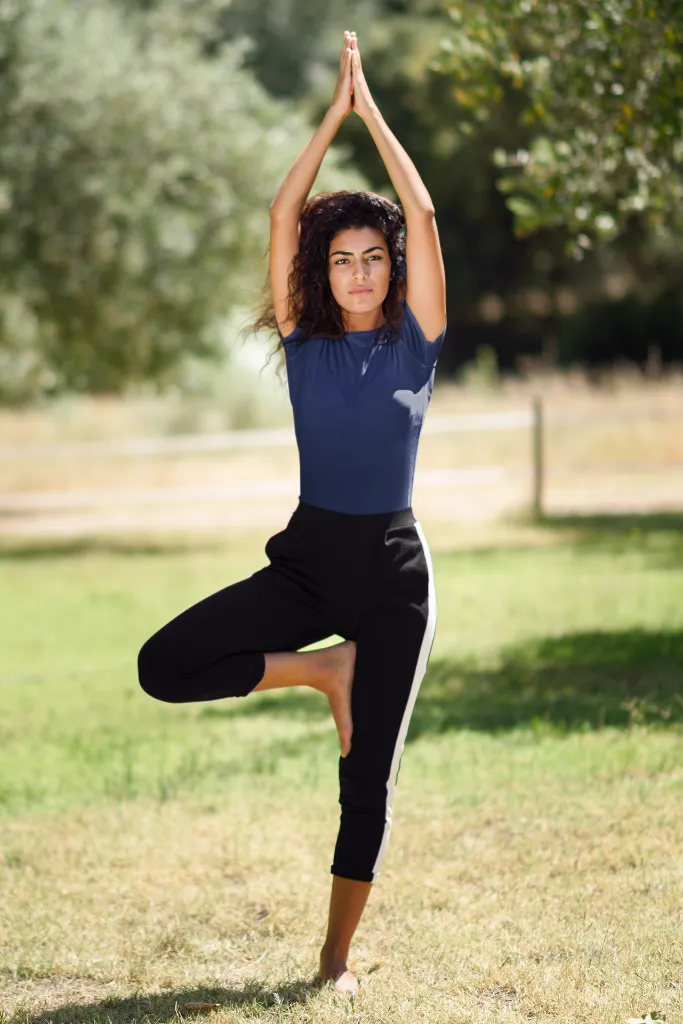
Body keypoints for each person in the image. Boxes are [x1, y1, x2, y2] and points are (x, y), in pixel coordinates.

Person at [137, 29, 447, 998]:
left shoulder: (417, 344)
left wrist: (374, 114)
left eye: (372, 258)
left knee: (368, 783)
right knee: (162, 665)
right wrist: (331, 114)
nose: (357, 272)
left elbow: (423, 209)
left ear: (392, 268)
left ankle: (332, 961)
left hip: (392, 572)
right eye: (342, 259)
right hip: (309, 560)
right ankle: (321, 669)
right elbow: (283, 209)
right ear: (325, 269)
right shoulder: (304, 341)